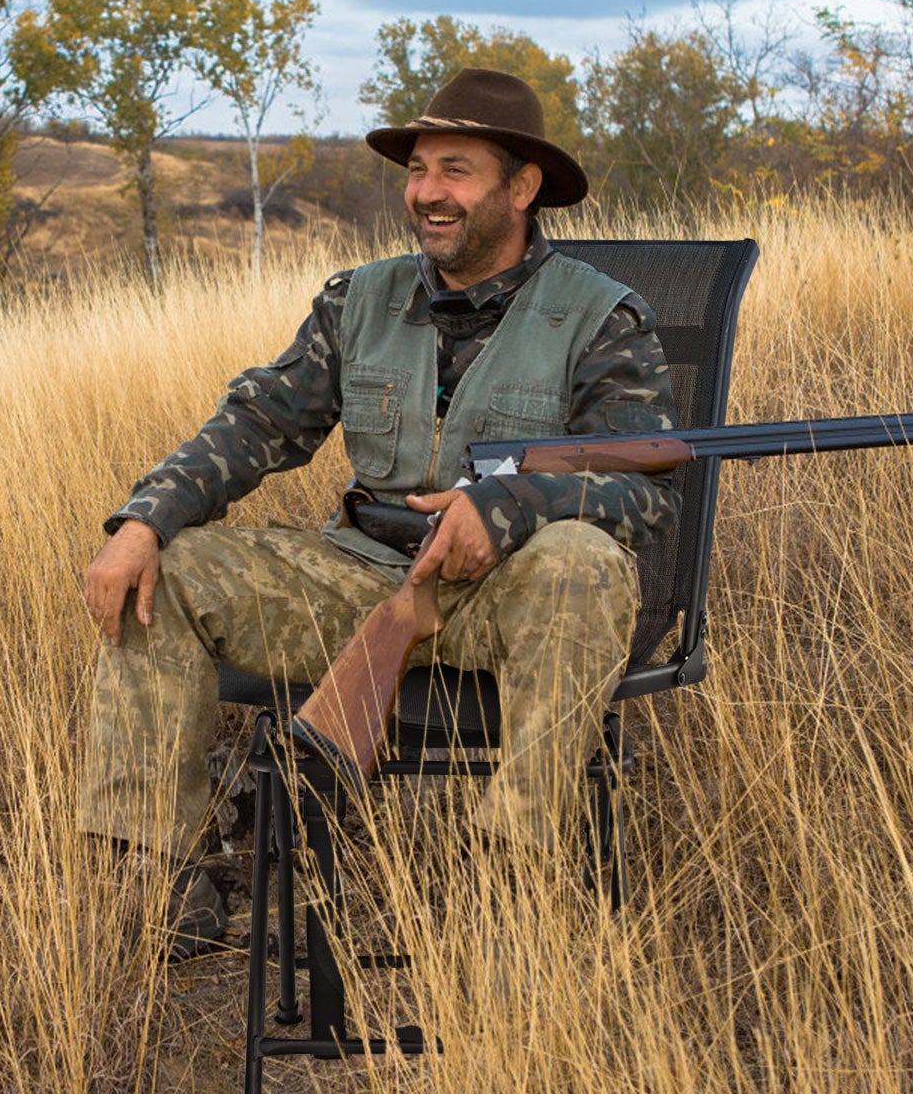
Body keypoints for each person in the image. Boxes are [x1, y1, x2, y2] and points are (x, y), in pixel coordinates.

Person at [79, 66, 679, 954]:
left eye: (456, 171)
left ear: (522, 187)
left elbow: (645, 487)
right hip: (356, 578)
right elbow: (259, 422)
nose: (427, 193)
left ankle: (514, 883)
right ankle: (159, 874)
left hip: (509, 597)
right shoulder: (356, 300)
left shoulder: (599, 317)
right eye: (418, 170)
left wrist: (508, 507)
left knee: (584, 563)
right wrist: (144, 520)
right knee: (163, 575)